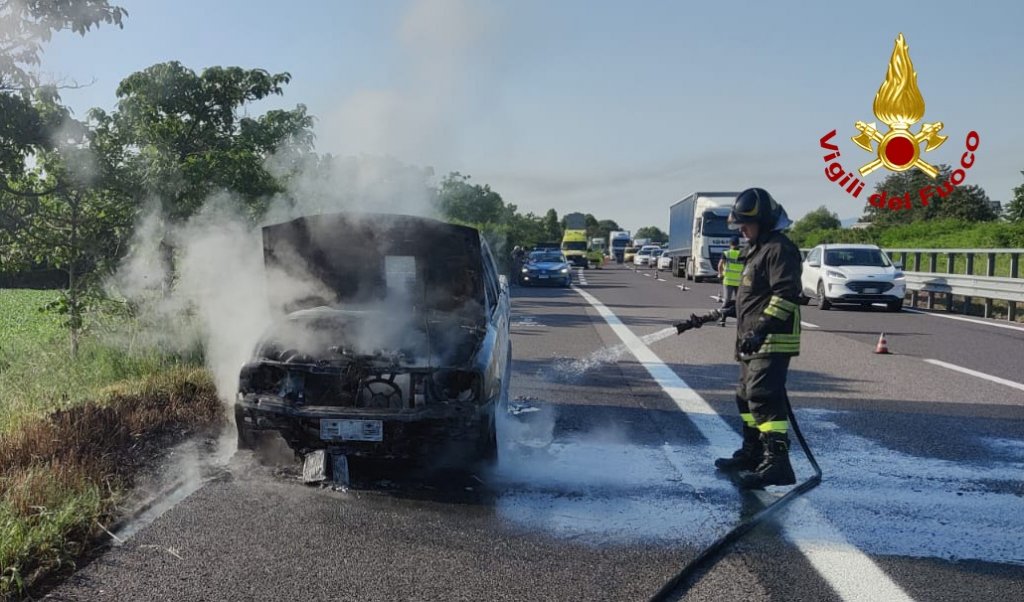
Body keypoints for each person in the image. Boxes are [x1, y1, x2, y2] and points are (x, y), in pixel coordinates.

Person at [716, 188, 803, 489]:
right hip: (751, 340)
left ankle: (778, 464)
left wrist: (762, 328)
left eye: (746, 224)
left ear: (763, 221)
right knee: (745, 396)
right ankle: (753, 453)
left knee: (763, 397)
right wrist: (733, 308)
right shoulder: (758, 249)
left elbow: (786, 294)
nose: (741, 229)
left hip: (771, 339)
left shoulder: (779, 249)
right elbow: (756, 293)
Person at [716, 237, 742, 326]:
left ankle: (722, 319)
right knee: (739, 302)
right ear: (738, 244)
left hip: (728, 281)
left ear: (730, 244)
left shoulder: (726, 253)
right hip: (739, 281)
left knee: (726, 301)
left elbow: (720, 265)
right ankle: (740, 321)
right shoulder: (742, 254)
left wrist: (720, 274)